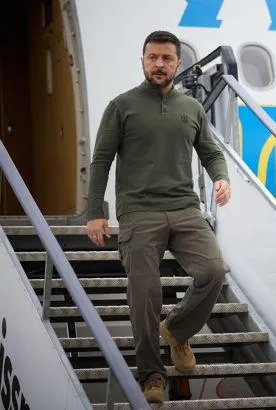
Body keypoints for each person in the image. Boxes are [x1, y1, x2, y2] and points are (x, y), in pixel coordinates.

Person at [86, 30, 231, 403]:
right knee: (145, 293)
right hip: (138, 212)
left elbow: (210, 152)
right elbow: (101, 160)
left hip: (185, 208)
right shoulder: (122, 106)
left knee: (214, 271)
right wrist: (95, 212)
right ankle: (151, 375)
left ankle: (177, 330)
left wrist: (221, 178)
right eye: (152, 57)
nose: (159, 65)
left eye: (166, 58)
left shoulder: (191, 108)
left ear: (177, 63)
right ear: (143, 61)